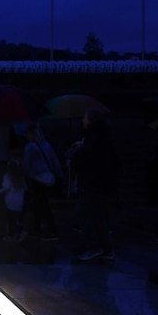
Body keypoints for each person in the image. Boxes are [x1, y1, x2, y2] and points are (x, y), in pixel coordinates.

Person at [68, 108, 119, 261]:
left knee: (82, 213)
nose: (82, 121)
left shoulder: (94, 140)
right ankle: (105, 248)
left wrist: (74, 158)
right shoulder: (101, 137)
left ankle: (94, 246)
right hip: (100, 183)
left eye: (84, 118)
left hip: (93, 183)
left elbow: (88, 162)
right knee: (97, 217)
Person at [21, 123, 63, 240]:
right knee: (41, 203)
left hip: (35, 179)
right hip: (48, 178)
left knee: (40, 204)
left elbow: (26, 164)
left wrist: (23, 176)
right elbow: (54, 161)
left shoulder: (29, 147)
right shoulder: (46, 145)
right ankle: (39, 228)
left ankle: (47, 229)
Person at [0, 157, 27, 240]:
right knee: (17, 219)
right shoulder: (21, 178)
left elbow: (6, 187)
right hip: (20, 202)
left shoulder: (7, 176)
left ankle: (9, 235)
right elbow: (25, 188)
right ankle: (19, 233)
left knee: (10, 220)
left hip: (10, 202)